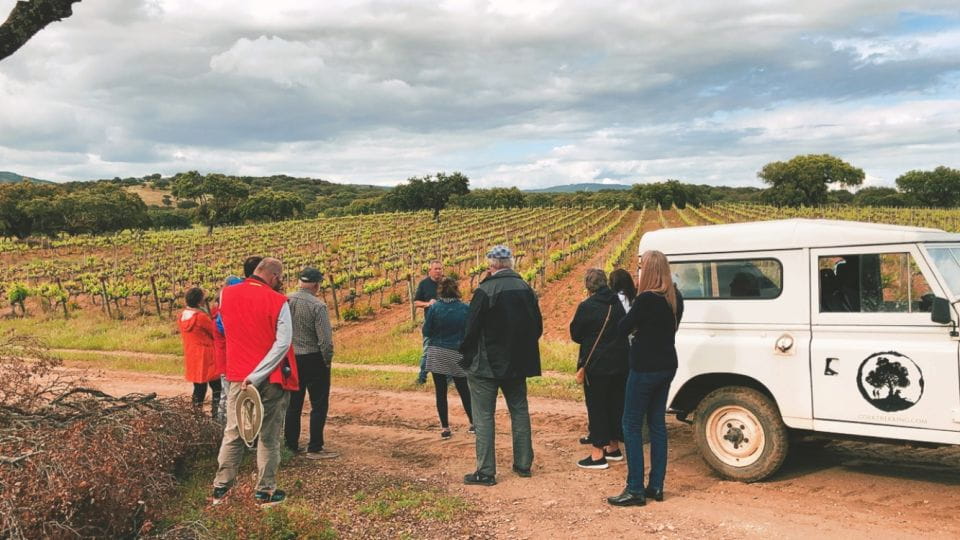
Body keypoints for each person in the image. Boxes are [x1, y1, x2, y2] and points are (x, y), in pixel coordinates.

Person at [212, 257, 300, 506]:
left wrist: (246, 373)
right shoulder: (278, 301)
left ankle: (221, 489)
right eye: (280, 278)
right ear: (274, 276)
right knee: (269, 436)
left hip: (236, 375)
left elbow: (227, 330)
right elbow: (283, 343)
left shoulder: (226, 294)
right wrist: (258, 374)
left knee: (234, 431)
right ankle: (265, 491)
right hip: (270, 378)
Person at [459, 245, 542, 486]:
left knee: (484, 415)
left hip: (487, 364)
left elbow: (470, 328)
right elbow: (537, 327)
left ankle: (486, 472)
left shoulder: (485, 290)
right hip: (518, 363)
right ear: (511, 264)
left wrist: (466, 355)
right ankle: (523, 464)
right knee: (519, 410)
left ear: (491, 266)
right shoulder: (527, 289)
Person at [608, 250, 684, 507]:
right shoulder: (675, 298)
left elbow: (622, 329)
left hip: (644, 368)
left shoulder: (645, 300)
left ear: (648, 270)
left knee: (630, 424)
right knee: (657, 425)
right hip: (667, 365)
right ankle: (656, 485)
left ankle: (634, 489)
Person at [569, 269, 628, 470]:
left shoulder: (587, 306)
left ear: (588, 286)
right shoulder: (618, 303)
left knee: (597, 406)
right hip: (621, 362)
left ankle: (597, 455)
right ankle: (613, 447)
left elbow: (576, 334)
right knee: (615, 404)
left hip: (597, 364)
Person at [284, 267, 338, 460]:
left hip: (291, 357)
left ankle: (290, 445)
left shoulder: (286, 301)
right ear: (316, 285)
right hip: (314, 357)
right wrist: (327, 360)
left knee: (293, 404)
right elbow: (325, 340)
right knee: (319, 404)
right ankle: (315, 447)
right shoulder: (318, 306)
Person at [422, 277, 473, 439]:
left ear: (440, 291)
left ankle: (445, 427)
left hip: (437, 351)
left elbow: (426, 331)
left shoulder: (434, 308)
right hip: (457, 352)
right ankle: (473, 424)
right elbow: (469, 330)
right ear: (456, 290)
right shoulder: (465, 308)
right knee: (464, 389)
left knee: (441, 391)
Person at [178, 287, 221, 417]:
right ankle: (216, 415)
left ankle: (196, 416)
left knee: (199, 388)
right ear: (199, 301)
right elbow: (215, 332)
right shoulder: (201, 317)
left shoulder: (182, 317)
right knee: (217, 387)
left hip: (192, 355)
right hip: (208, 355)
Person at [211, 275, 244, 422]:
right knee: (228, 396)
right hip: (228, 360)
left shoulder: (217, 315)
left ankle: (222, 424)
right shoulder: (220, 318)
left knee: (227, 395)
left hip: (226, 360)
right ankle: (223, 426)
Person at [414, 260, 444, 384]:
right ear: (430, 271)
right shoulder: (424, 284)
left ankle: (449, 379)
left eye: (440, 269)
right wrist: (428, 304)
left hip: (446, 323)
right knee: (428, 351)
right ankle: (422, 378)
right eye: (436, 269)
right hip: (431, 324)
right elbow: (416, 302)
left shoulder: (447, 283)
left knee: (447, 351)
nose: (438, 271)